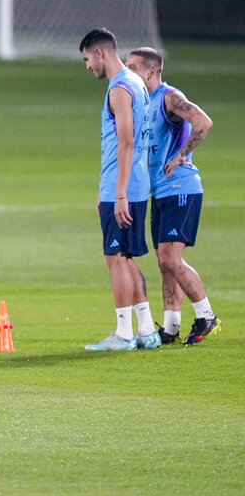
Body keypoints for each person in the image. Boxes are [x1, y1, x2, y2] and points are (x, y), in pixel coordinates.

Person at [125, 47, 220, 345]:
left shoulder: (169, 97)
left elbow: (203, 121)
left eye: (133, 67)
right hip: (159, 192)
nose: (128, 72)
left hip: (181, 188)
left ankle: (206, 315)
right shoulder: (141, 102)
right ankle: (170, 327)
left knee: (170, 258)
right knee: (164, 262)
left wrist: (181, 156)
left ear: (151, 72)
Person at [79, 28, 161, 351]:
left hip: (125, 187)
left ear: (100, 53)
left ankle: (124, 334)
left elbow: (126, 142)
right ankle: (145, 329)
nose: (87, 67)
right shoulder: (137, 83)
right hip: (133, 183)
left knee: (115, 257)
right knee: (125, 257)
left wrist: (119, 192)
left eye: (87, 59)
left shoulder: (119, 88)